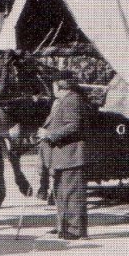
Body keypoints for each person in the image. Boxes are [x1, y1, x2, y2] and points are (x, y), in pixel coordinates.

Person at [37, 73, 91, 240]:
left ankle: (75, 230)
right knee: (61, 193)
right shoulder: (61, 101)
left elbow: (74, 125)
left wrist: (49, 134)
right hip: (61, 155)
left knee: (73, 194)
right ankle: (64, 227)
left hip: (72, 154)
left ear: (58, 85)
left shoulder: (72, 99)